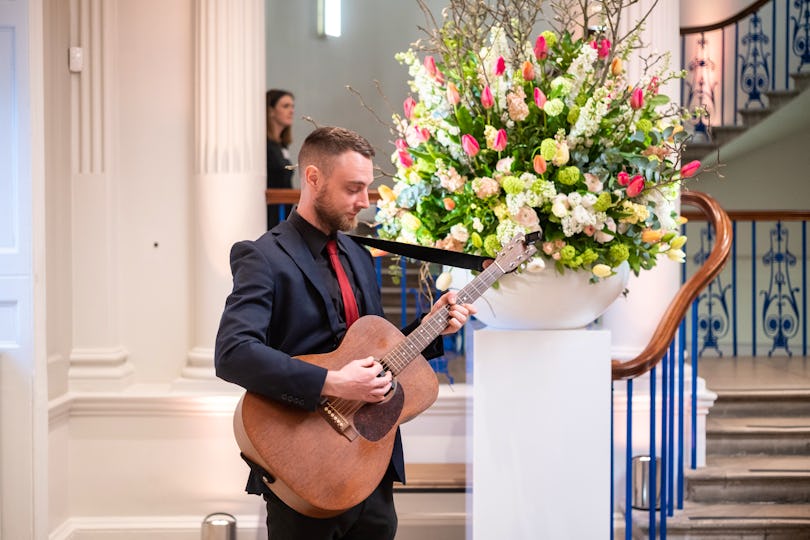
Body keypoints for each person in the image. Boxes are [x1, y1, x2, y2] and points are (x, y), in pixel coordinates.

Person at [215, 126, 475, 539]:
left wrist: (430, 327)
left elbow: (376, 354)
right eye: (353, 188)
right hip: (305, 466)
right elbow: (234, 353)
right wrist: (334, 382)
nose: (364, 202)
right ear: (313, 178)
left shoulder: (357, 252)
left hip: (370, 462)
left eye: (367, 188)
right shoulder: (262, 256)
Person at [266, 89, 295, 229]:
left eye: (292, 106)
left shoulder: (281, 145)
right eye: (286, 106)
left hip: (284, 212)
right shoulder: (264, 145)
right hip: (270, 215)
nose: (291, 111)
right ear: (271, 110)